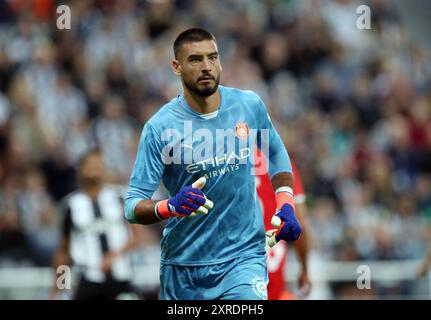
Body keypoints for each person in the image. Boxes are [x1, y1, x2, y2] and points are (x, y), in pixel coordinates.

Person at [124, 28, 301, 300]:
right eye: (195, 59)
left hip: (243, 259)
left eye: (212, 57)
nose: (206, 67)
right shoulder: (159, 128)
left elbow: (276, 153)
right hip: (184, 267)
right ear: (177, 67)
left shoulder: (248, 105)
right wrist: (168, 207)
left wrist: (286, 202)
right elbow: (132, 206)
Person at [51, 149, 144, 300]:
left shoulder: (120, 197)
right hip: (87, 279)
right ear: (80, 171)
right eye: (90, 164)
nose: (95, 168)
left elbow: (137, 236)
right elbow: (63, 251)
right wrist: (59, 287)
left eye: (99, 164)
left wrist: (115, 254)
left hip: (121, 276)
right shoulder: (70, 205)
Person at [255, 148, 312, 300]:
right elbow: (301, 225)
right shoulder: (280, 161)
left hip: (232, 262)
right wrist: (304, 270)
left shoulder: (223, 162)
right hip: (270, 259)